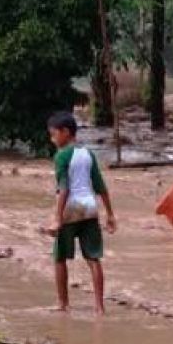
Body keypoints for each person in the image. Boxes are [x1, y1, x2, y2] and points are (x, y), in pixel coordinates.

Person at [45, 111, 117, 315]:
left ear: (65, 132)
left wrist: (57, 218)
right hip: (90, 209)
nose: (52, 139)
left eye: (53, 134)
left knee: (59, 257)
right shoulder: (88, 153)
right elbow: (100, 185)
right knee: (93, 258)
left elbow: (64, 188)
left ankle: (63, 303)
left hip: (70, 209)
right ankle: (99, 307)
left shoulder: (61, 156)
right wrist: (110, 214)